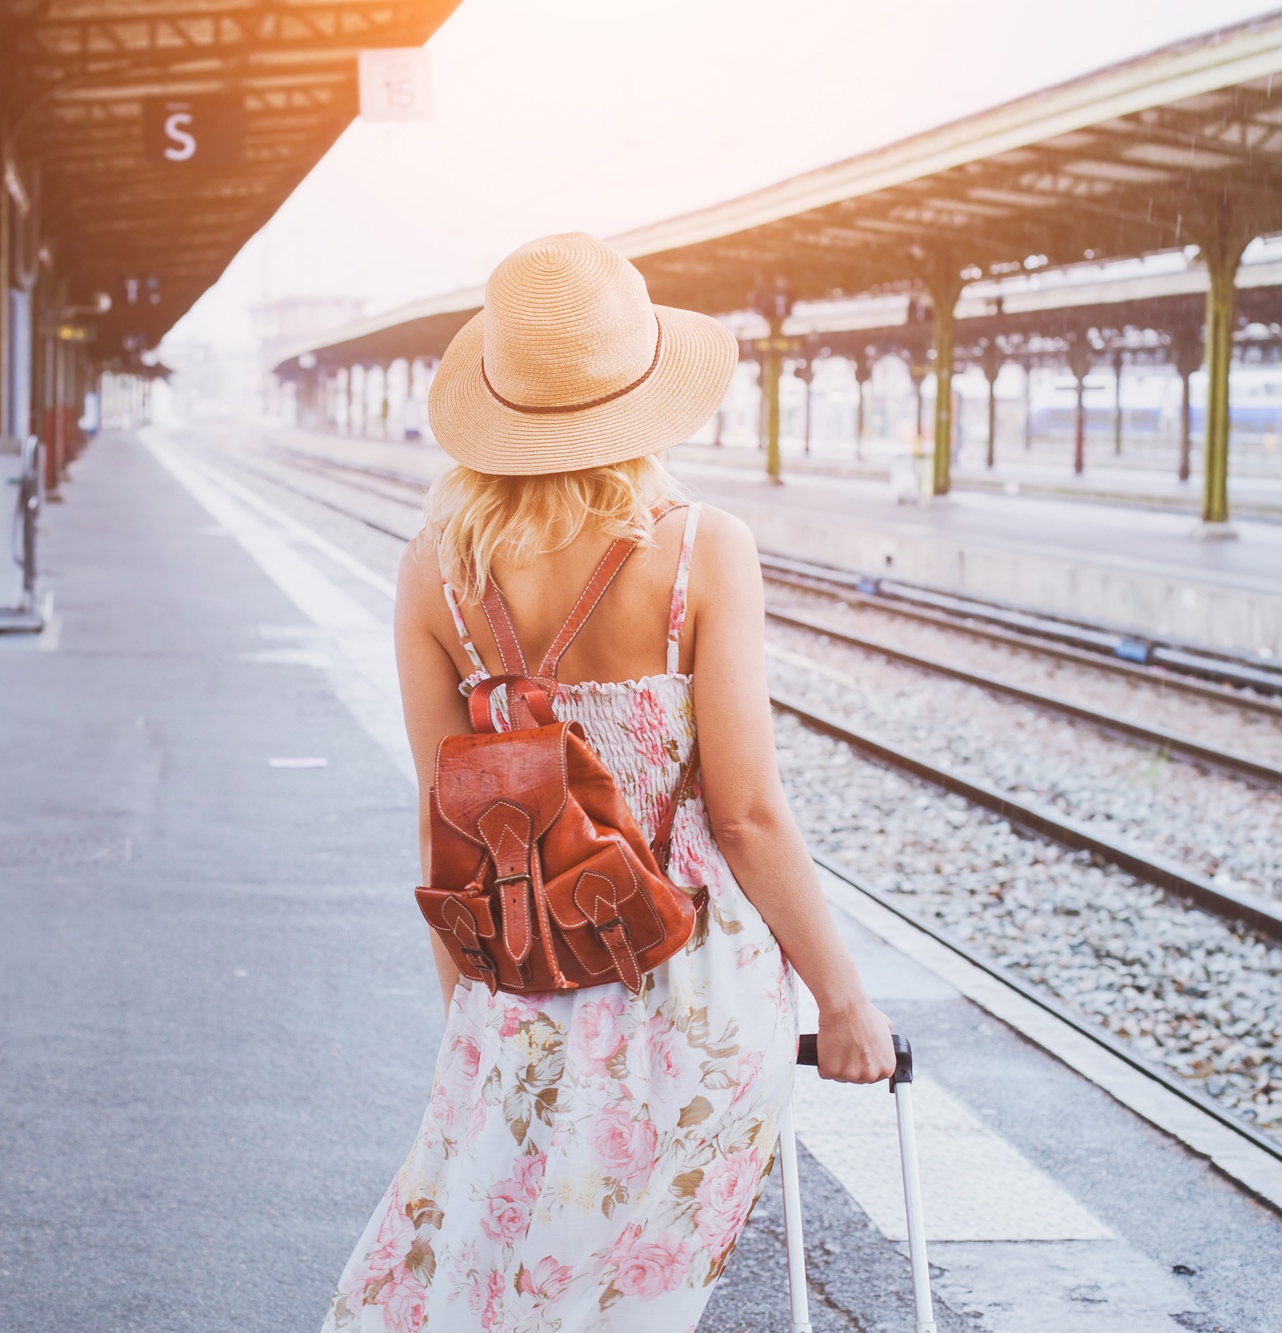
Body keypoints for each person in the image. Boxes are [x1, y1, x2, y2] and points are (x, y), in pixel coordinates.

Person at [322, 232, 897, 1332]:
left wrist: (469, 1016)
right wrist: (843, 1001)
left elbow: (445, 813)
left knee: (493, 1288)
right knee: (630, 1305)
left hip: (518, 990)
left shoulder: (433, 570)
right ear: (642, 392)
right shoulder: (699, 551)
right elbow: (746, 814)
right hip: (691, 997)